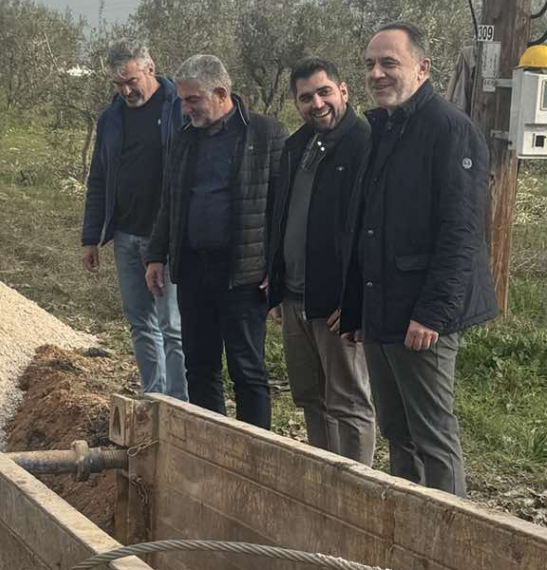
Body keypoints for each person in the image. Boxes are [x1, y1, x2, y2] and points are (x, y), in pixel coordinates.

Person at [339, 22, 497, 495]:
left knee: (432, 435)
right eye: (370, 64)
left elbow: (462, 232)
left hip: (420, 316)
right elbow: (368, 225)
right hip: (382, 308)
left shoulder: (449, 130)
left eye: (389, 62)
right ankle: (408, 522)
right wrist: (357, 308)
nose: (376, 73)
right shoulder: (384, 128)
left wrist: (432, 313)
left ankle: (452, 527)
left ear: (423, 67)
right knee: (396, 431)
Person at [144, 54, 287, 429]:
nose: (185, 108)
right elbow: (170, 201)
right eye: (182, 100)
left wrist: (277, 267)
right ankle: (210, 444)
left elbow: (282, 207)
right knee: (199, 365)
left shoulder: (266, 134)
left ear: (221, 93)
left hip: (243, 273)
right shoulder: (184, 138)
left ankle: (255, 448)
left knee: (247, 369)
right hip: (194, 270)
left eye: (193, 99)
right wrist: (156, 255)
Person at [266, 58, 376, 464]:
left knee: (348, 402)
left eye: (324, 92)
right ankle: (325, 483)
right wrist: (276, 284)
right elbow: (281, 216)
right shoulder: (297, 146)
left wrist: (355, 300)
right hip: (296, 296)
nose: (317, 103)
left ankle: (357, 486)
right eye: (305, 97)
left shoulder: (365, 144)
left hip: (335, 304)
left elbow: (370, 230)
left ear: (343, 90)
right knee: (311, 398)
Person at [80, 39, 187, 399]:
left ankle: (180, 405)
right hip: (126, 235)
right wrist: (90, 237)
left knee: (173, 326)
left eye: (131, 81)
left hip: (166, 237)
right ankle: (154, 398)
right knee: (140, 323)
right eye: (118, 84)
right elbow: (98, 177)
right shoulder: (110, 119)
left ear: (149, 69)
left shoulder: (178, 108)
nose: (126, 91)